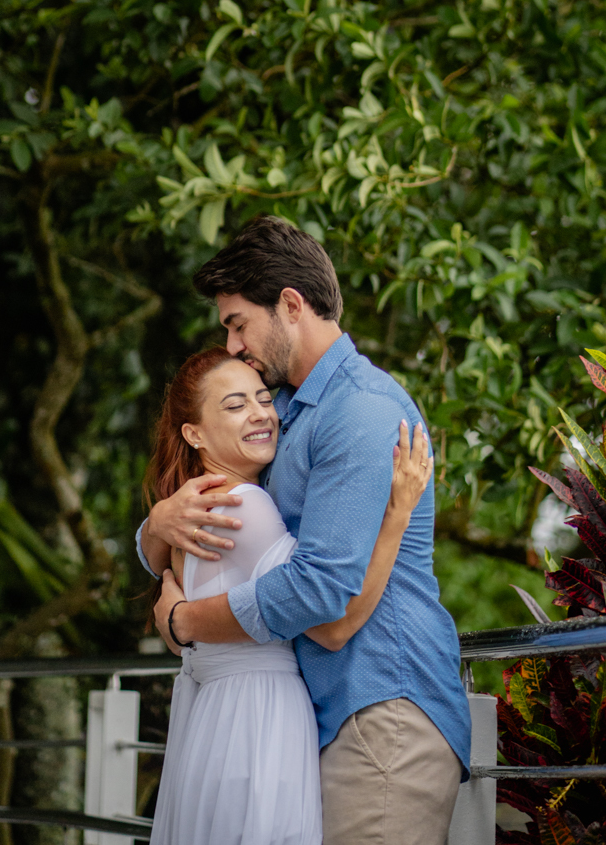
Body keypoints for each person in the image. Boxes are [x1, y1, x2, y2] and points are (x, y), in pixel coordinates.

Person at [137, 215, 471, 845]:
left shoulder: (360, 410)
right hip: (324, 716)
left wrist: (185, 623)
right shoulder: (283, 409)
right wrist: (156, 527)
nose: (234, 346)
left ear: (290, 305)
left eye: (238, 323)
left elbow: (321, 594)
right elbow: (216, 529)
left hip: (381, 709)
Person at [144, 345, 433, 845]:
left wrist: (152, 526)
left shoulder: (190, 507)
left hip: (213, 719)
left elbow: (156, 557)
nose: (260, 415)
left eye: (263, 400)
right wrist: (397, 516)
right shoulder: (245, 506)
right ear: (194, 433)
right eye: (235, 406)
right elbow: (333, 622)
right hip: (258, 719)